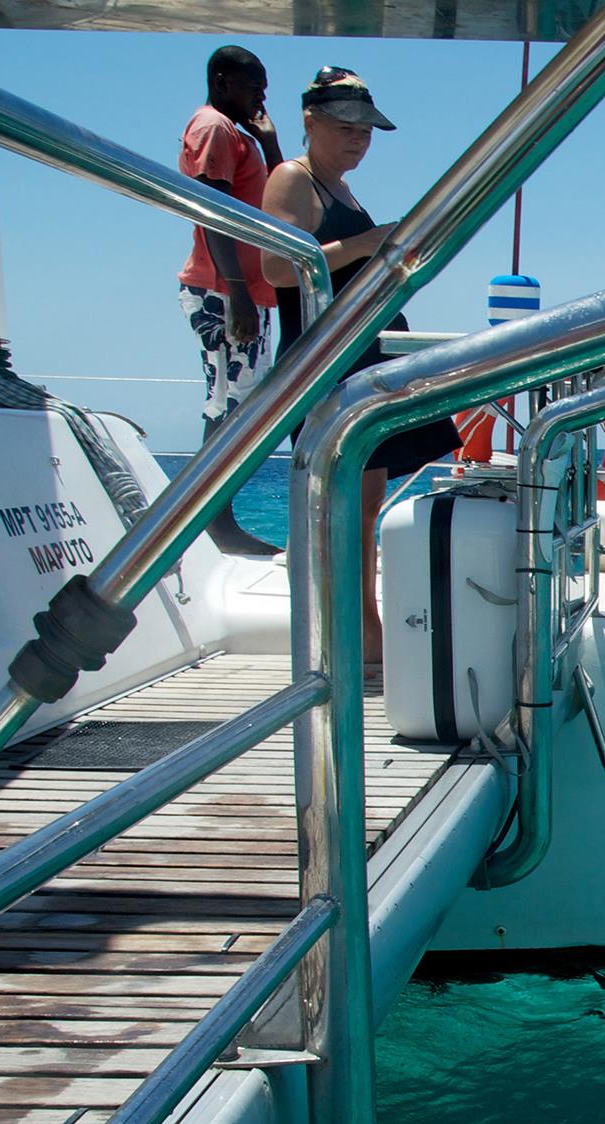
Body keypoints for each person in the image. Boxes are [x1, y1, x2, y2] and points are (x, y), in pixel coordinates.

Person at [260, 67, 461, 664]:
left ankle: (364, 633)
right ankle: (349, 636)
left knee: (366, 506)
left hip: (365, 359)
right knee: (342, 506)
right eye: (346, 125)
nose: (358, 138)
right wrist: (371, 242)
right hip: (329, 364)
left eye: (367, 129)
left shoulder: (339, 188)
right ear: (310, 121)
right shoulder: (293, 179)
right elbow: (276, 269)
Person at [177, 45, 283, 557]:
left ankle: (217, 515)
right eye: (252, 87)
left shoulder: (238, 134)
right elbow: (210, 209)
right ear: (222, 82)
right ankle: (213, 522)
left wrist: (271, 144)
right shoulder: (214, 128)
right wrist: (236, 290)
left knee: (240, 404)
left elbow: (279, 204)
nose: (261, 99)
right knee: (227, 404)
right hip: (224, 291)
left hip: (245, 291)